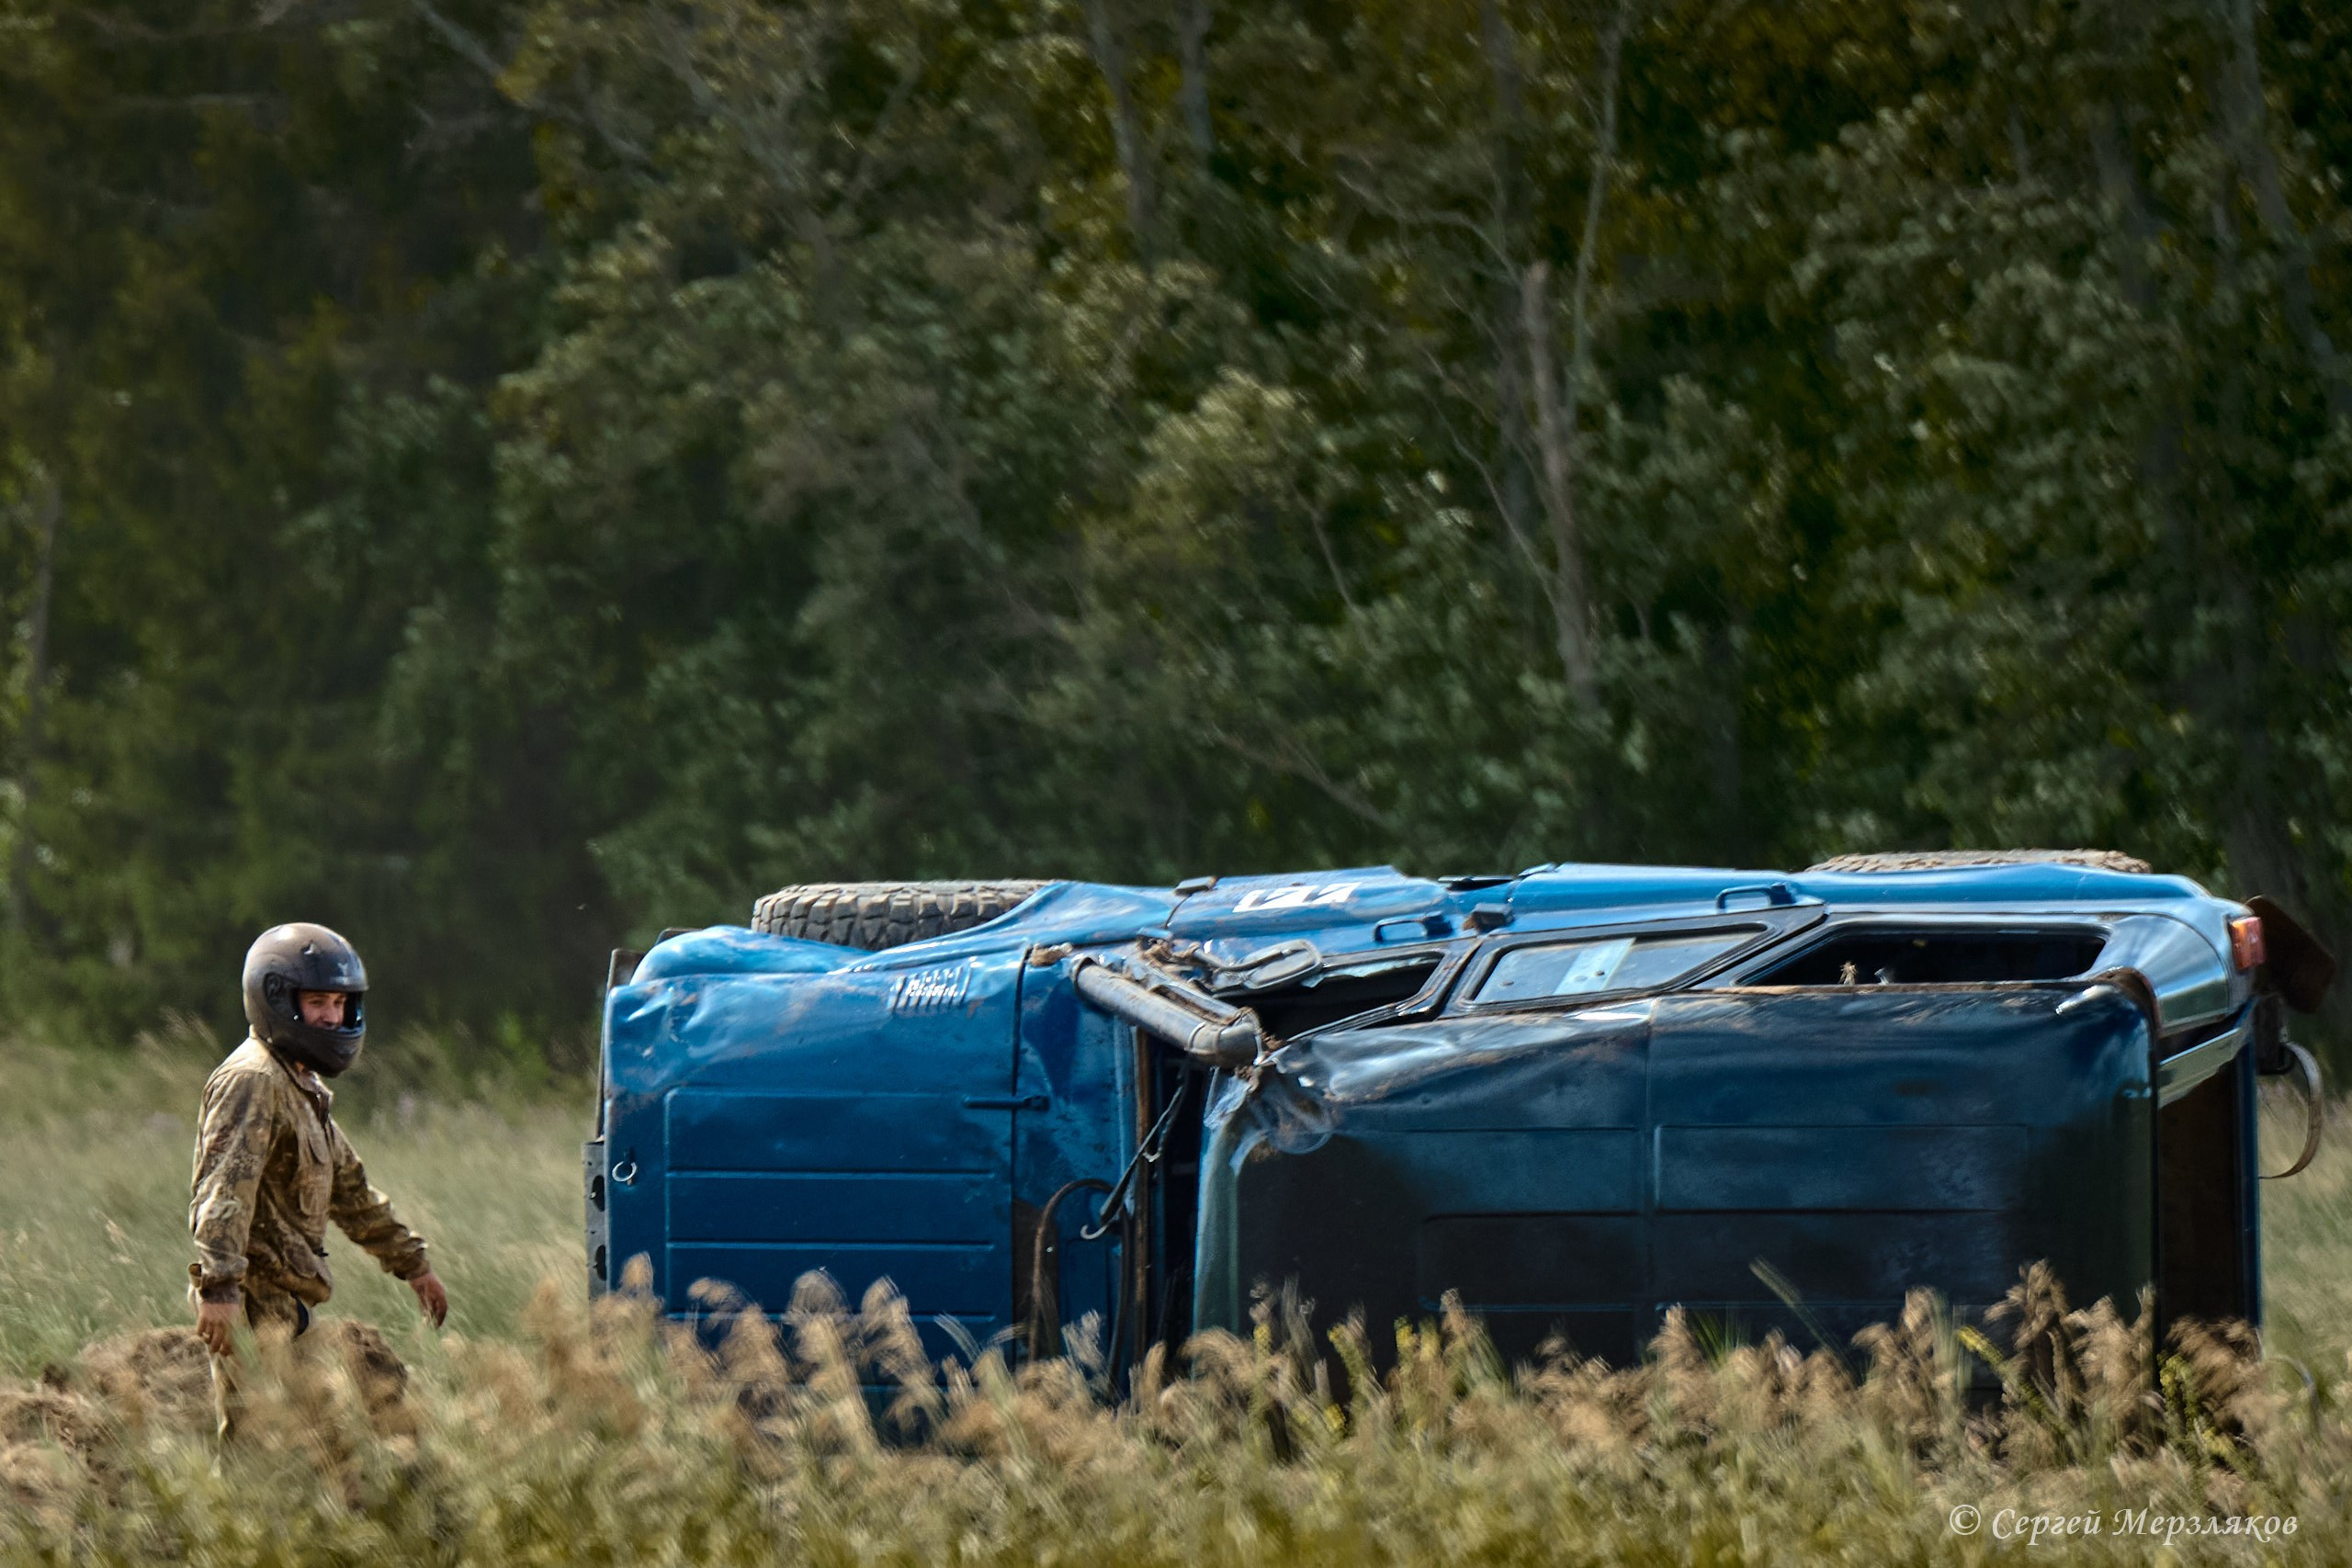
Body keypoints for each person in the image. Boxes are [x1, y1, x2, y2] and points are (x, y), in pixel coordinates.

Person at [188, 922, 447, 1438]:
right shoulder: (254, 1080)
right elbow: (223, 1189)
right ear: (278, 1000)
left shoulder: (299, 1086)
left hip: (289, 1309)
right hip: (252, 1304)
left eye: (339, 1003)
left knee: (313, 1446)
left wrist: (413, 1264)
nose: (332, 1016)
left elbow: (350, 1192)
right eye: (317, 1003)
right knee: (260, 1451)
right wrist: (219, 1288)